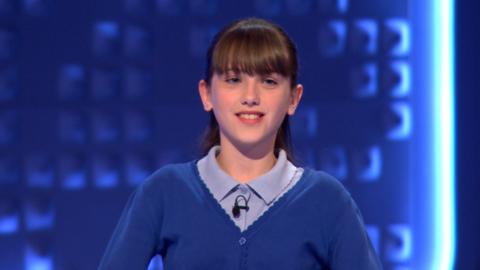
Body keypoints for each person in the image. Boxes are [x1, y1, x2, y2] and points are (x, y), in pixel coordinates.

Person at [98, 17, 382, 270]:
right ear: (206, 94)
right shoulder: (164, 192)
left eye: (269, 81)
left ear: (293, 99)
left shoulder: (327, 200)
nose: (250, 96)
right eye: (233, 79)